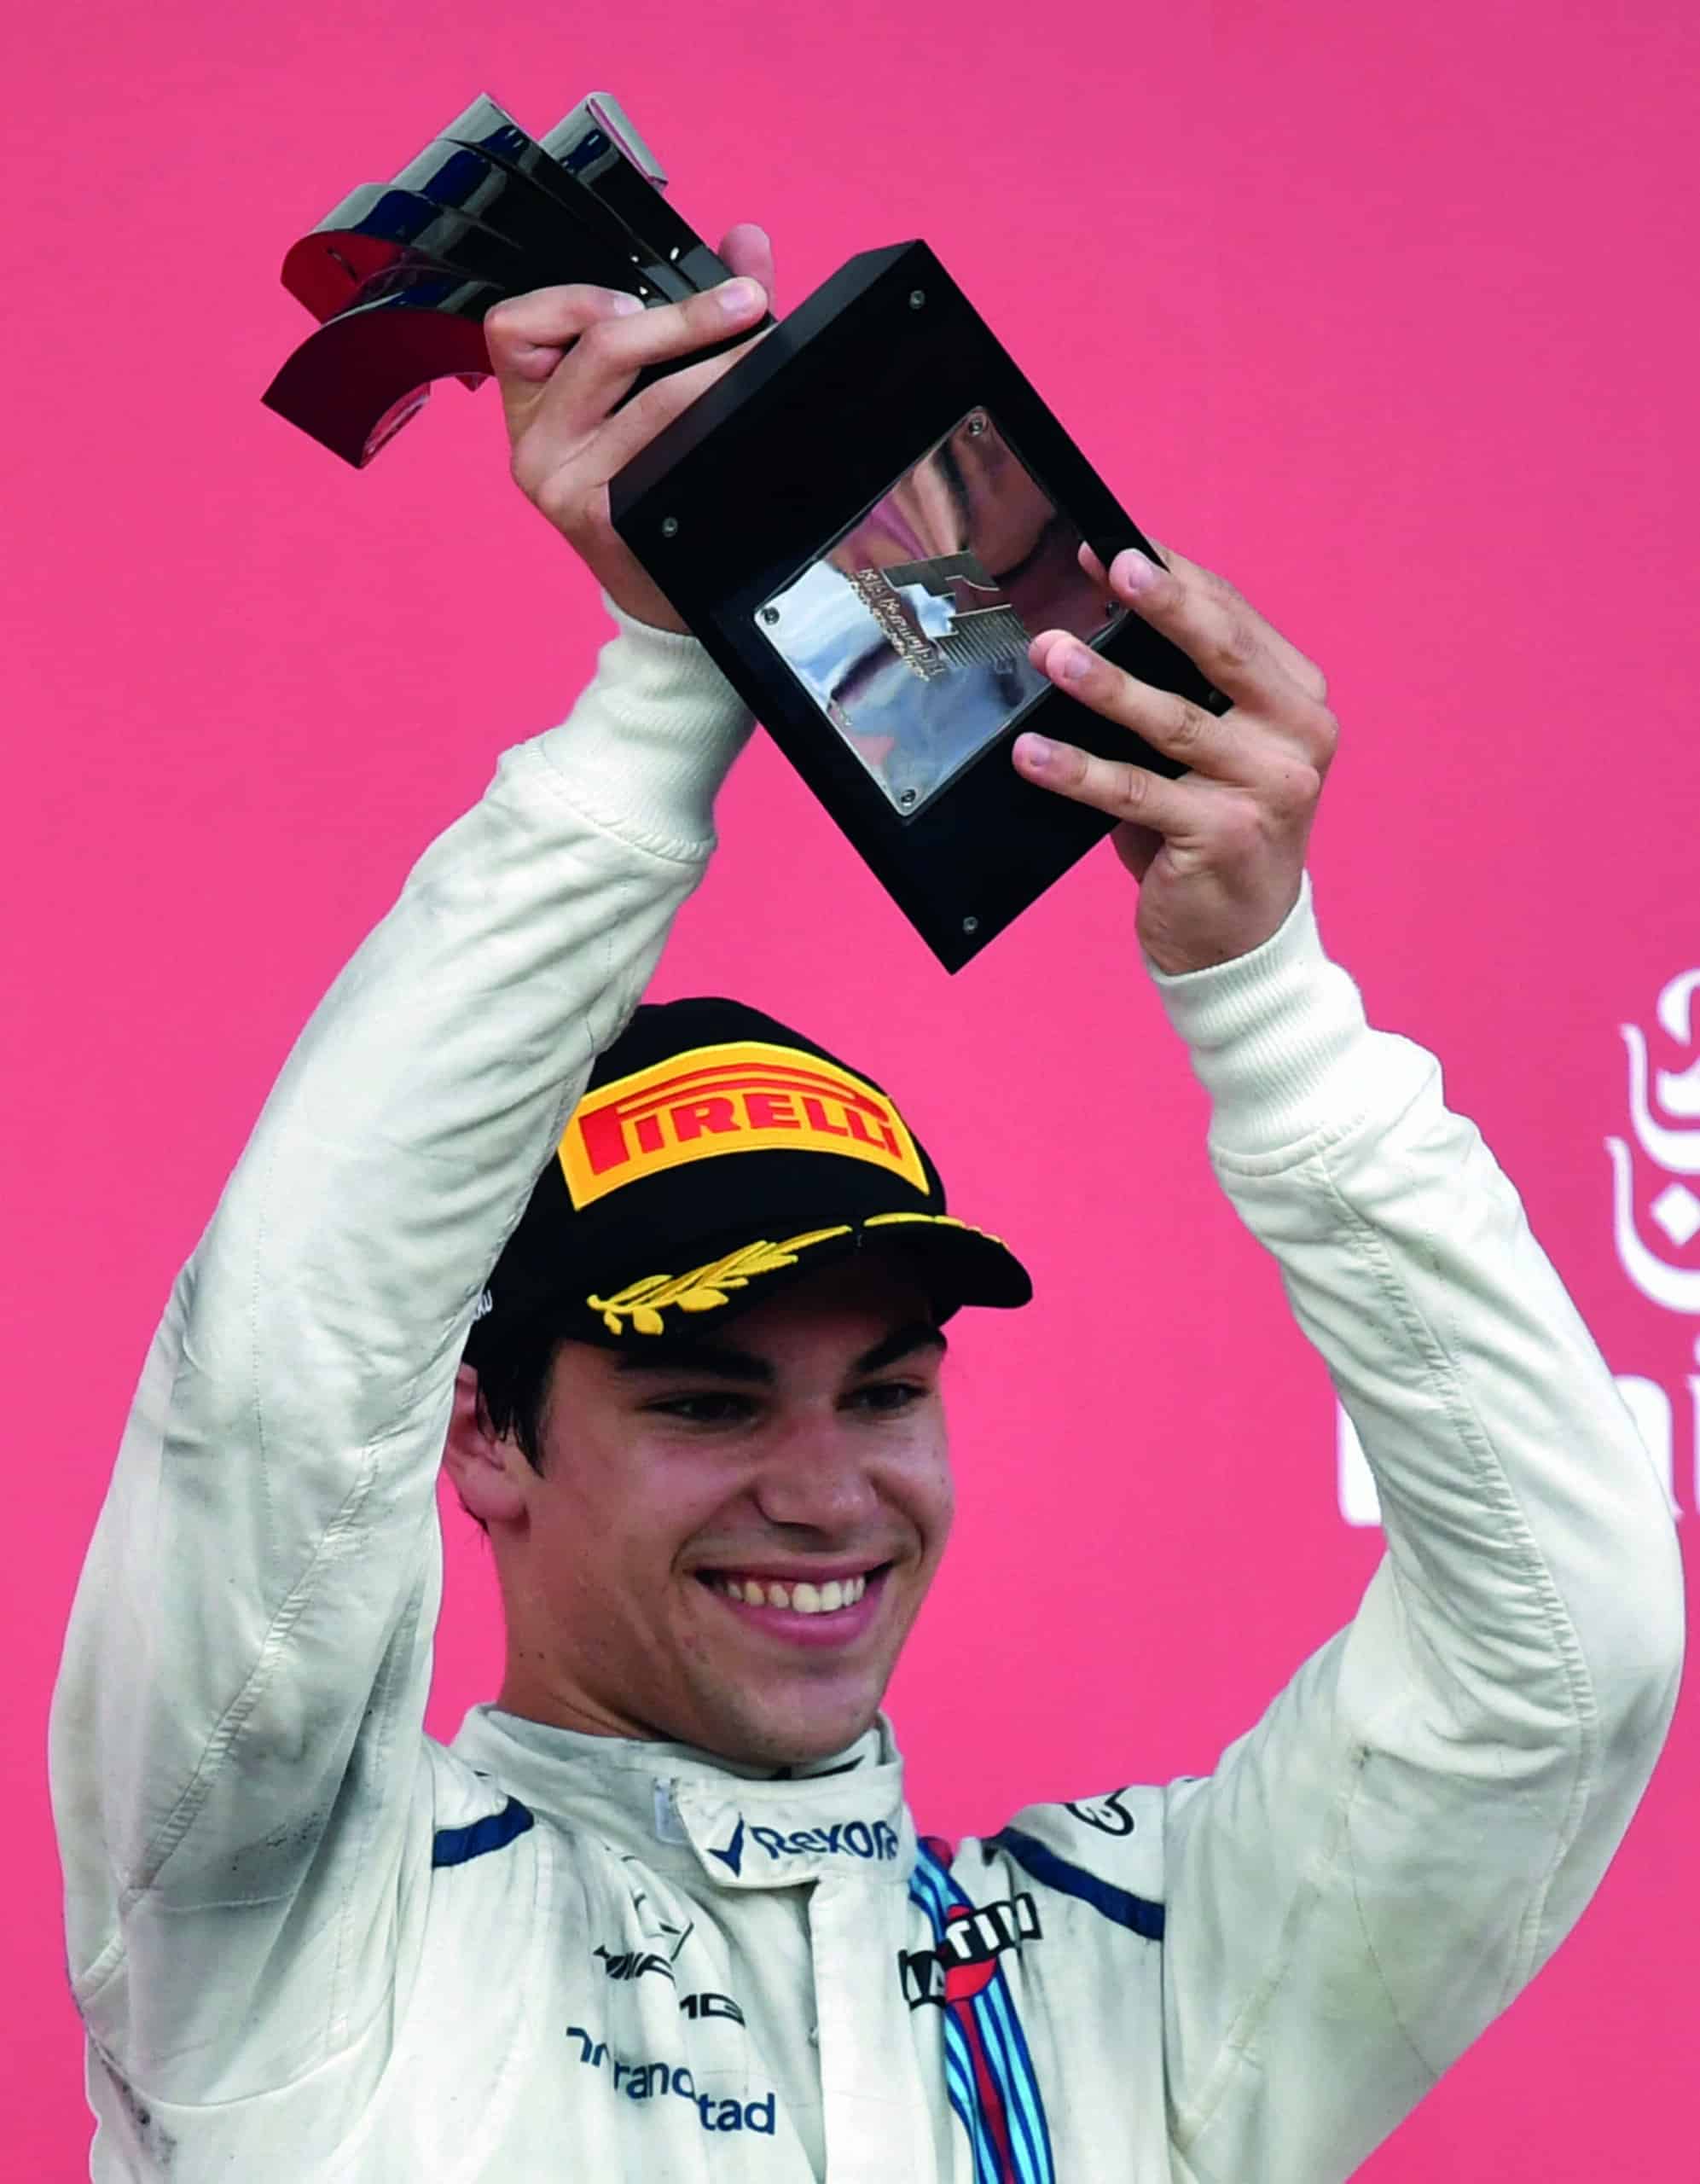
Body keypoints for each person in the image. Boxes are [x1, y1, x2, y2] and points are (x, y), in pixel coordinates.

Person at [50, 224, 1683, 2184]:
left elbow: (1572, 1649)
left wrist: (1267, 1006)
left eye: (884, 1386)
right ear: (480, 1430)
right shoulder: (294, 1928)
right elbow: (286, 1384)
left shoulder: (1131, 1981)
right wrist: (666, 683)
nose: (825, 1487)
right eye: (708, 1395)